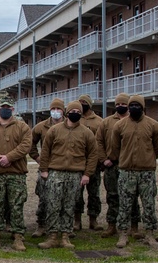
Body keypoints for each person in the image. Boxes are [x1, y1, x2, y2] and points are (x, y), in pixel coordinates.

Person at [38, 101, 99, 249]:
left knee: (69, 205)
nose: (75, 114)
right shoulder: (55, 130)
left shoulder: (86, 132)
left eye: (78, 112)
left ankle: (65, 236)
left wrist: (87, 174)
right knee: (53, 205)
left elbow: (93, 155)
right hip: (55, 173)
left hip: (75, 174)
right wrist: (44, 170)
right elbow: (45, 150)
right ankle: (52, 236)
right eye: (73, 112)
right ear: (67, 113)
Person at [108, 95, 158, 248]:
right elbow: (115, 147)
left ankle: (150, 234)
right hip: (126, 171)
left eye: (137, 105)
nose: (134, 107)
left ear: (143, 107)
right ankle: (123, 234)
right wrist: (124, 159)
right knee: (124, 205)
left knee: (148, 204)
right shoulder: (120, 125)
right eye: (131, 105)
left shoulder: (153, 125)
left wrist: (148, 158)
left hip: (146, 172)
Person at [0, 95, 32, 251]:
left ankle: (18, 237)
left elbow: (25, 146)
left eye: (8, 107)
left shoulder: (23, 127)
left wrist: (9, 157)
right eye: (3, 107)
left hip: (16, 173)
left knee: (16, 206)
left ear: (13, 109)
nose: (5, 109)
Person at [29, 98, 65, 238]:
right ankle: (41, 225)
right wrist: (38, 159)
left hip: (63, 167)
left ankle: (62, 226)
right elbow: (31, 144)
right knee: (44, 198)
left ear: (63, 111)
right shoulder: (41, 127)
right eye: (53, 109)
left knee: (63, 199)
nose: (56, 112)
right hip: (46, 168)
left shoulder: (69, 125)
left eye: (58, 109)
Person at [96, 93, 131, 238]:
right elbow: (98, 142)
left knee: (130, 197)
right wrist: (104, 159)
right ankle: (112, 225)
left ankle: (132, 226)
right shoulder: (106, 122)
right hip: (111, 166)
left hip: (129, 166)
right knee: (112, 196)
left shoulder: (134, 121)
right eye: (118, 104)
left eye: (123, 104)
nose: (120, 106)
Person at [73, 93, 104, 231]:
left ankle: (93, 219)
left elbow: (103, 142)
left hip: (94, 164)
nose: (81, 104)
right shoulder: (74, 120)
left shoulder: (99, 121)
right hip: (77, 163)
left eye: (84, 102)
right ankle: (77, 220)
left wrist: (102, 160)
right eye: (79, 102)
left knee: (94, 193)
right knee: (76, 194)